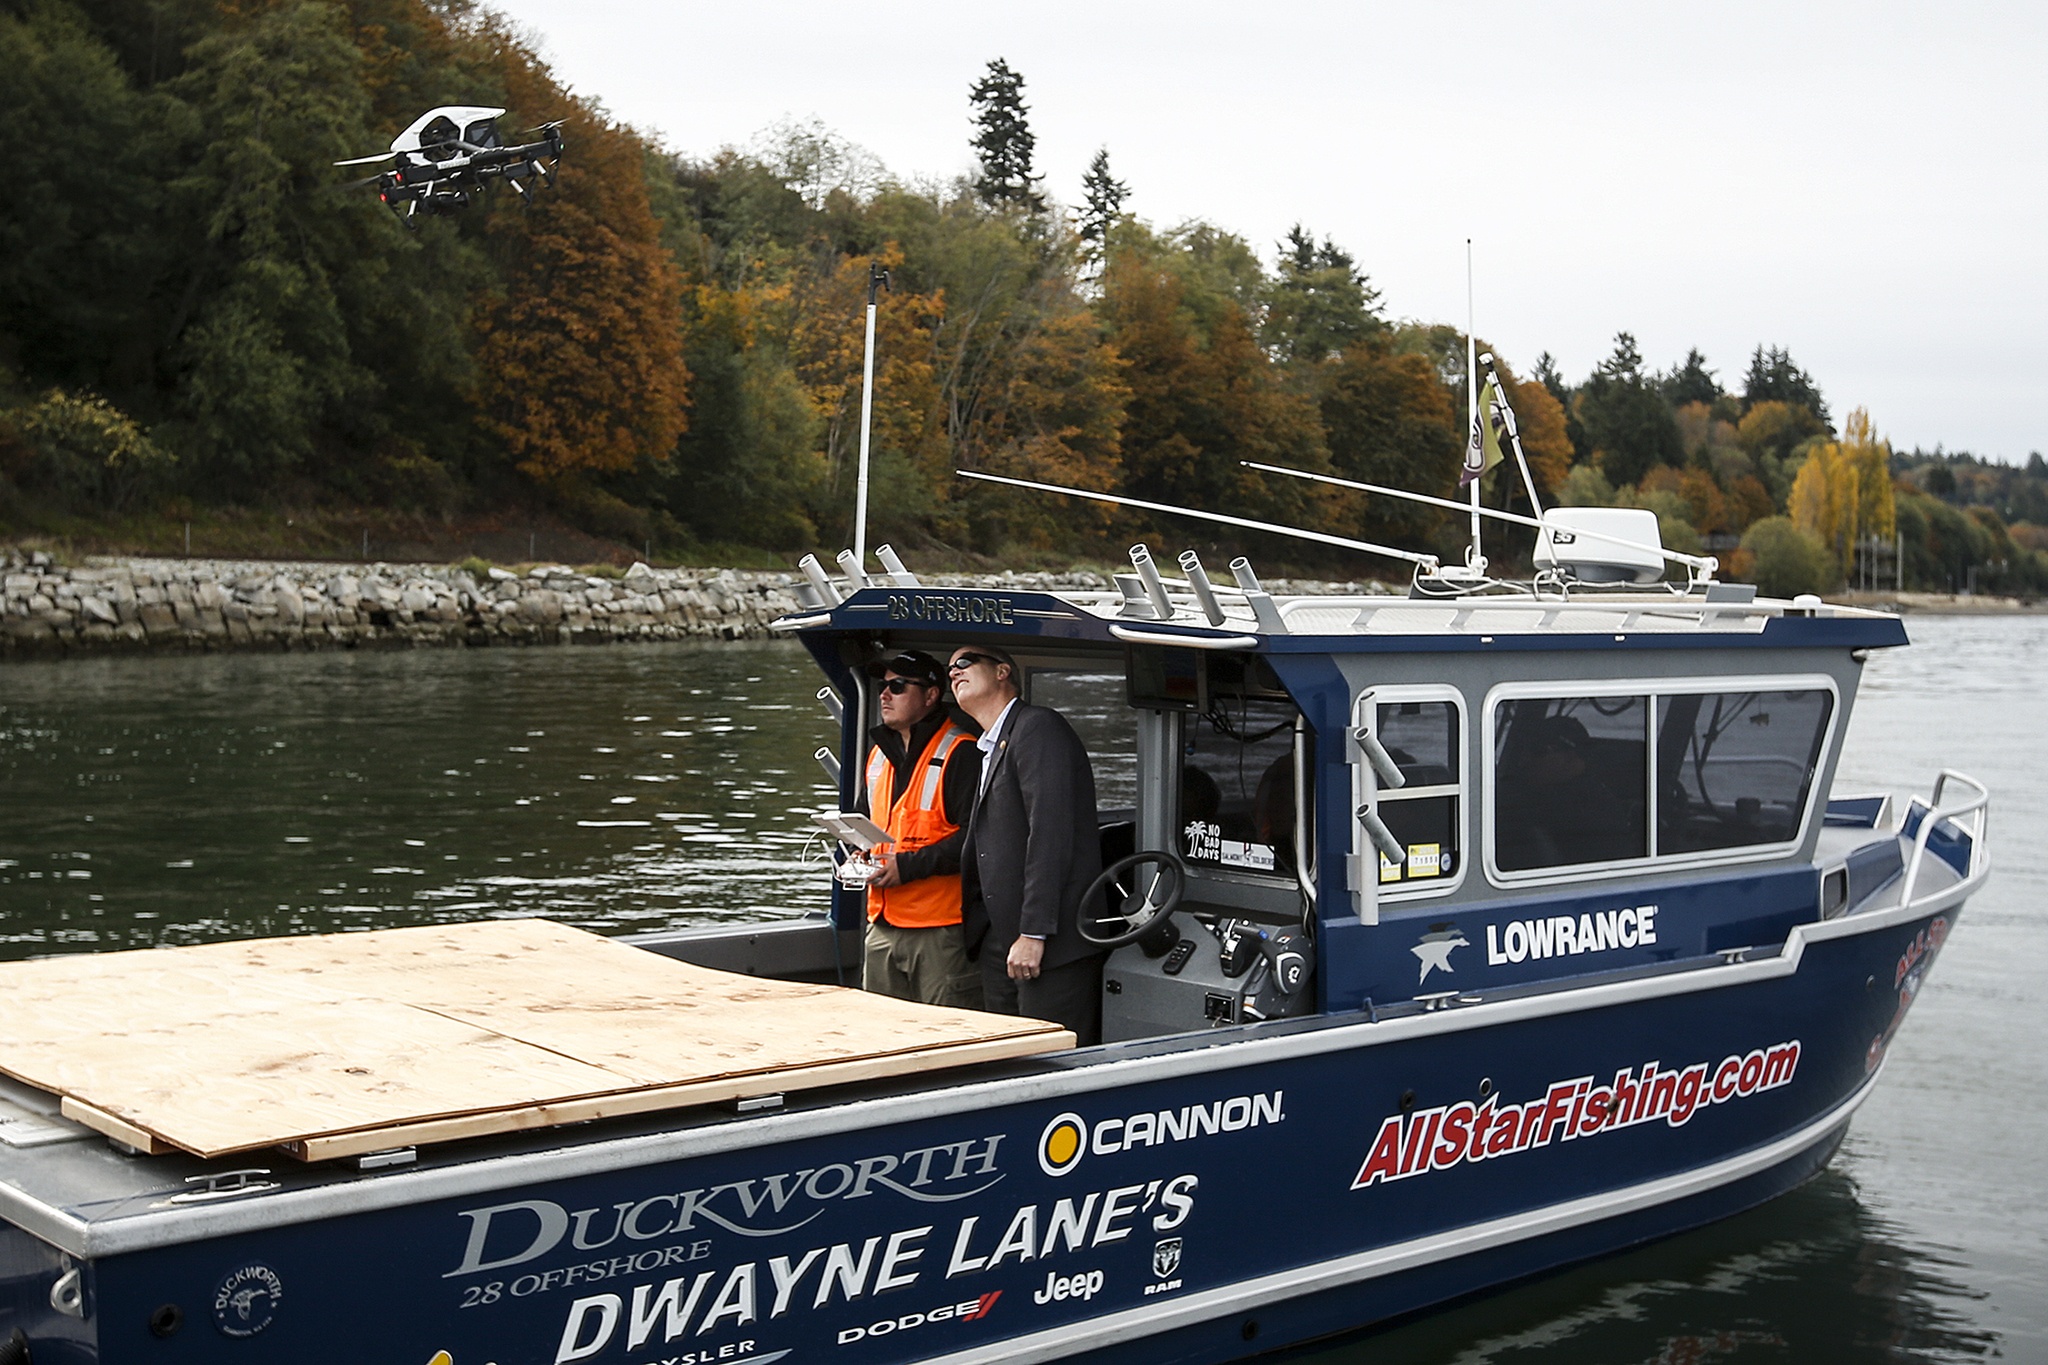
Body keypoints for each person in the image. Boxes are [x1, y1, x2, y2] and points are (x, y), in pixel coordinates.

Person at [947, 644, 1106, 1045]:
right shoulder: (987, 745)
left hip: (1047, 946)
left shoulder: (1037, 727)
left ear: (1002, 671)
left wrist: (1033, 932)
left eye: (965, 663)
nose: (954, 672)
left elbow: (1049, 833)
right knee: (1005, 1059)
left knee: (1050, 1062)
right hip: (1001, 939)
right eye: (949, 669)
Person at [853, 650, 983, 1009]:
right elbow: (866, 823)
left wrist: (906, 867)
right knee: (882, 1037)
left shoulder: (962, 753)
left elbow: (977, 839)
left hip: (939, 931)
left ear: (930, 695)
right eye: (882, 686)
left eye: (897, 686)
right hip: (881, 926)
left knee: (945, 1038)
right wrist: (856, 853)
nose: (884, 695)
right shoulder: (879, 755)